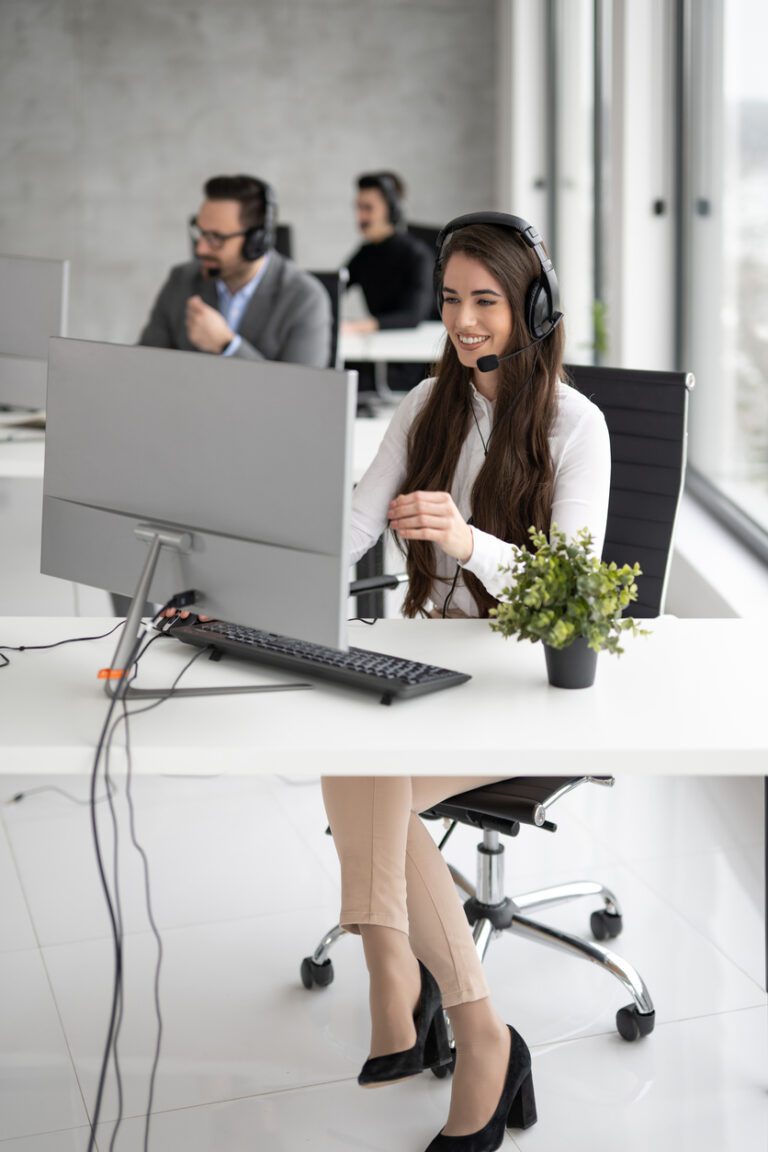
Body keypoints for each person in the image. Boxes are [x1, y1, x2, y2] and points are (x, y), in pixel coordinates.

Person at [321, 212, 611, 1151]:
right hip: (427, 667)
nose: (464, 322)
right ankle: (421, 987)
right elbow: (357, 524)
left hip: (520, 687)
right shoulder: (427, 405)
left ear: (533, 307)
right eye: (452, 300)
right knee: (358, 762)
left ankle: (443, 1006)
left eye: (486, 301)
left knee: (371, 785)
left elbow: (575, 591)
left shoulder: (578, 427)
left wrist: (466, 540)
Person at [139, 174, 331, 368]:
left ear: (256, 242)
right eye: (201, 233)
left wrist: (228, 346)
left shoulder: (305, 298)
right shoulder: (181, 280)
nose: (200, 249)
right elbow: (144, 367)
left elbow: (299, 392)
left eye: (216, 238)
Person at [343, 171, 434, 396]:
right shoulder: (365, 253)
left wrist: (356, 327)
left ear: (391, 210)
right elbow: (336, 287)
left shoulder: (417, 255)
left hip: (411, 363)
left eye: (368, 208)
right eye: (358, 207)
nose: (360, 216)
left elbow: (413, 315)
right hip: (379, 354)